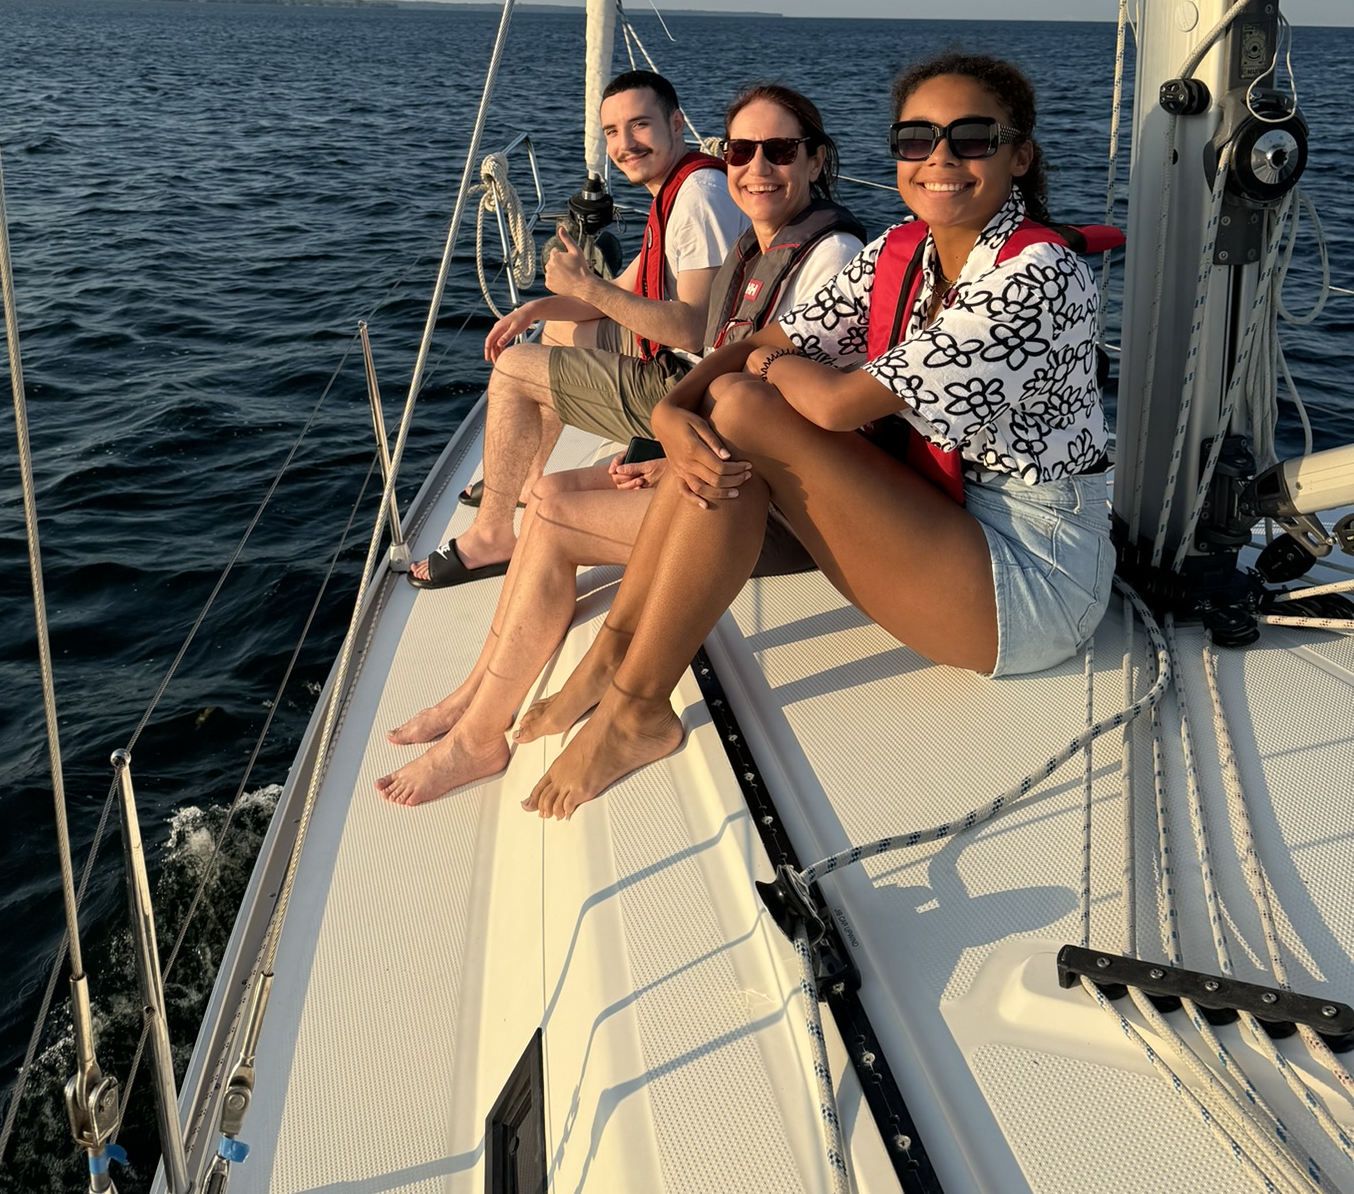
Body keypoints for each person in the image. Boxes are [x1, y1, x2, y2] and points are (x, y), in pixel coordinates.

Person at [518, 51, 1116, 820]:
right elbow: (774, 336)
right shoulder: (908, 248)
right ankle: (619, 659)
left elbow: (832, 403)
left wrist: (753, 371)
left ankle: (634, 706)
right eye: (916, 139)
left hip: (1035, 582)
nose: (940, 159)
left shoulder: (1039, 276)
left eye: (971, 137)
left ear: (1019, 155)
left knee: (736, 410)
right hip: (948, 522)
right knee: (723, 430)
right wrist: (674, 412)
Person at [378, 84, 865, 803]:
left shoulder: (831, 260)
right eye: (741, 151)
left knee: (549, 517)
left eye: (780, 151)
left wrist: (674, 447)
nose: (756, 167)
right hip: (723, 469)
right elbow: (735, 380)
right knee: (548, 491)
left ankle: (480, 734)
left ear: (817, 159)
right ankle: (475, 690)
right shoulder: (753, 248)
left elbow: (798, 412)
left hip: (765, 510)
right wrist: (667, 451)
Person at [409, 70, 746, 587]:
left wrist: (588, 287)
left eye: (639, 125)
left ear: (677, 124)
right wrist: (538, 310)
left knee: (516, 368)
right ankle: (524, 479)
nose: (625, 144)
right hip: (685, 367)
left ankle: (492, 538)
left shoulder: (700, 197)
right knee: (552, 336)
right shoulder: (677, 188)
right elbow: (626, 291)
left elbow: (693, 330)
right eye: (612, 131)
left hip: (693, 390)